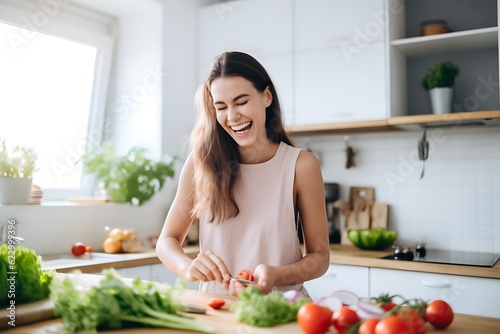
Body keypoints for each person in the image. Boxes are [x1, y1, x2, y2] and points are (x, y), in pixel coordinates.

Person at [156, 51, 329, 297]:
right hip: (218, 307)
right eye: (222, 107)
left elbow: (320, 257)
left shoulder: (301, 165)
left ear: (266, 96)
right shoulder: (201, 163)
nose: (232, 116)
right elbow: (167, 241)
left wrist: (278, 275)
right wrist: (189, 267)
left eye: (241, 101)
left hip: (281, 305)